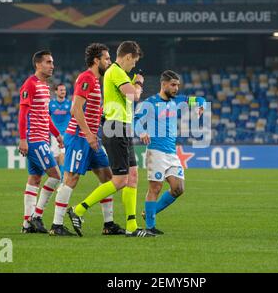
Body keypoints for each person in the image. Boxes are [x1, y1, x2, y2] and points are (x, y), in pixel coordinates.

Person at [67, 41, 155, 237]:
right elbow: (133, 96)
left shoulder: (118, 74)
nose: (134, 66)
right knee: (120, 180)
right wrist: (138, 82)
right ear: (128, 56)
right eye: (134, 61)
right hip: (115, 128)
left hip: (122, 127)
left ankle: (132, 227)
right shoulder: (115, 72)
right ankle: (79, 209)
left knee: (132, 177)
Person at [49, 43, 125, 236]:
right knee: (71, 178)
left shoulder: (96, 81)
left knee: (108, 177)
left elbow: (92, 112)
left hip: (92, 139)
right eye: (107, 59)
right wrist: (90, 134)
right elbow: (75, 109)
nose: (109, 62)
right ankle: (56, 225)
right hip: (79, 137)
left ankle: (108, 224)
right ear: (96, 60)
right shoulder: (86, 78)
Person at [135, 70, 205, 234]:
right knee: (155, 187)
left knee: (178, 188)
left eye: (177, 85)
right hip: (156, 151)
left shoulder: (179, 101)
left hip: (171, 153)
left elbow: (200, 99)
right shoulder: (150, 103)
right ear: (163, 84)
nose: (176, 88)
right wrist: (142, 132)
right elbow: (136, 120)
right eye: (173, 85)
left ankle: (149, 213)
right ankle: (150, 227)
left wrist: (200, 106)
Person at [18, 50, 64, 233]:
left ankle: (26, 225)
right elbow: (23, 113)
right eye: (48, 62)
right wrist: (23, 139)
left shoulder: (44, 86)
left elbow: (45, 115)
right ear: (38, 64)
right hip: (35, 139)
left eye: (52, 62)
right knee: (56, 176)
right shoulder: (30, 84)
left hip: (43, 137)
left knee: (35, 179)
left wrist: (56, 134)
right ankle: (36, 215)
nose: (52, 65)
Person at [49, 83, 72, 178]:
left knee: (63, 155)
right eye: (61, 90)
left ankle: (62, 179)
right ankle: (58, 177)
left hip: (66, 134)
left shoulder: (70, 104)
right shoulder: (51, 104)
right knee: (55, 157)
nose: (63, 92)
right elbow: (47, 118)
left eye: (64, 90)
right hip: (54, 135)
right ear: (56, 91)